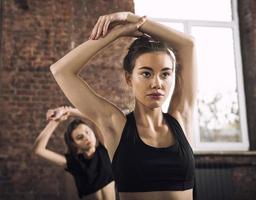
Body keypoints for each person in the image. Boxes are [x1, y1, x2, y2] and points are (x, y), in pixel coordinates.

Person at [50, 11, 197, 200]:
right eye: (146, 73)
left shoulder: (181, 118)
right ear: (129, 78)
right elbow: (61, 71)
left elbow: (188, 45)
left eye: (165, 74)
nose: (157, 83)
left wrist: (128, 17)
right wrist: (116, 33)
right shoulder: (116, 124)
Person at [33, 106, 115, 200]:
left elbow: (95, 116)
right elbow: (38, 150)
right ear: (74, 144)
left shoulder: (104, 149)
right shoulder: (74, 162)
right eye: (80, 137)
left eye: (88, 132)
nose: (86, 138)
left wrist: (67, 111)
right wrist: (55, 121)